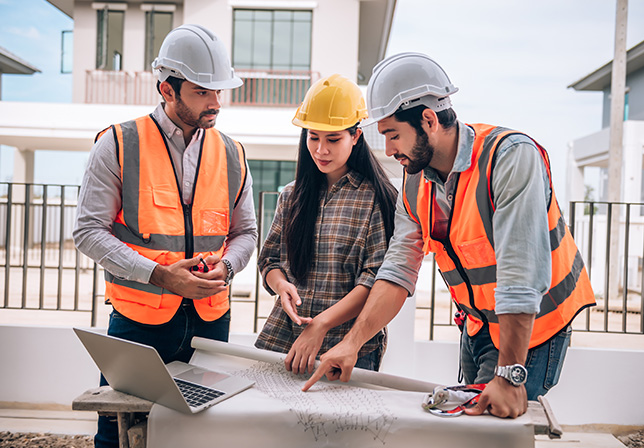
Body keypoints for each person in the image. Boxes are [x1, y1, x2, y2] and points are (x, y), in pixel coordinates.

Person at [303, 53, 595, 418]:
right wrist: (351, 343)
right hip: (477, 327)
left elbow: (520, 276)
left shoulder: (510, 158)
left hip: (533, 328)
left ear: (429, 120)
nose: (390, 151)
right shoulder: (415, 181)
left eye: (394, 135)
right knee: (468, 427)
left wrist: (508, 376)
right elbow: (397, 272)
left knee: (494, 430)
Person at [73, 24, 257, 447]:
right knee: (118, 433)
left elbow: (246, 233)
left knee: (198, 434)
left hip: (211, 321)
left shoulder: (232, 153)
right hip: (138, 324)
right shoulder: (118, 144)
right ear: (167, 89)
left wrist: (226, 267)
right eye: (201, 91)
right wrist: (162, 276)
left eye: (218, 91)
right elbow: (87, 231)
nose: (215, 103)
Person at [254, 74, 397, 374]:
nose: (321, 150)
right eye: (313, 137)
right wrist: (282, 287)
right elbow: (269, 260)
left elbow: (374, 281)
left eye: (333, 139)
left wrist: (320, 325)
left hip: (347, 348)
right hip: (285, 340)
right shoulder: (292, 195)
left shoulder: (376, 199)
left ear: (356, 136)